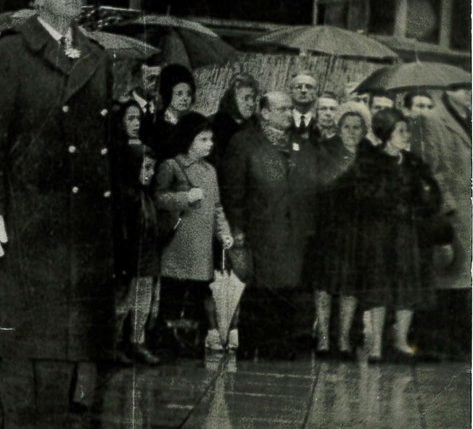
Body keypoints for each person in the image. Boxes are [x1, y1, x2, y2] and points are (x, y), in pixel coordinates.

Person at [0, 0, 122, 429]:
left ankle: (51, 426)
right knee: (21, 323)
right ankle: (21, 425)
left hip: (78, 217)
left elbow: (103, 138)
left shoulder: (97, 56)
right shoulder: (6, 53)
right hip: (26, 207)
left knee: (65, 324)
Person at [219, 91, 319, 359]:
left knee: (290, 289)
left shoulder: (300, 145)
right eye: (283, 109)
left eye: (291, 109)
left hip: (294, 232)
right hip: (260, 231)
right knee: (262, 289)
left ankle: (281, 346)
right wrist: (237, 230)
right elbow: (232, 192)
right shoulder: (245, 143)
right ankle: (255, 345)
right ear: (264, 113)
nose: (290, 113)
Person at [343, 109, 446, 362]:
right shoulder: (369, 161)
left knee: (407, 287)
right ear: (386, 133)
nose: (406, 135)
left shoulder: (413, 162)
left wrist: (422, 201)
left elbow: (432, 194)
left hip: (407, 235)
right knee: (379, 287)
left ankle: (400, 342)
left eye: (407, 130)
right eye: (401, 130)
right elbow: (360, 196)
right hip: (378, 235)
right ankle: (376, 346)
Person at [156, 112, 235, 354]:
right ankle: (168, 338)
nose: (209, 144)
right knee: (175, 292)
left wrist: (224, 232)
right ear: (188, 139)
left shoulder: (210, 171)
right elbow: (158, 197)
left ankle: (195, 338)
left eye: (210, 140)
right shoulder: (172, 166)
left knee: (201, 291)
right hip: (179, 244)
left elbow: (217, 207)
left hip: (202, 245)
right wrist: (184, 198)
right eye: (203, 139)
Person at [409, 86, 471, 357]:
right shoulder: (430, 120)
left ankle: (460, 343)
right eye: (462, 88)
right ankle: (436, 343)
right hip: (451, 214)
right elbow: (427, 168)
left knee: (464, 280)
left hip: (472, 213)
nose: (470, 92)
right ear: (447, 91)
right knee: (446, 275)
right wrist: (447, 207)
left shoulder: (472, 118)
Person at [308, 101, 372, 358]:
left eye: (357, 127)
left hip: (358, 229)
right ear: (339, 127)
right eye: (347, 126)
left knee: (350, 284)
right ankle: (323, 338)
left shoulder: (370, 155)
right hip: (329, 227)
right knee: (324, 283)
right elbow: (316, 186)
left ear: (364, 130)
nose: (352, 132)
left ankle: (344, 339)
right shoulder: (324, 151)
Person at [112, 144, 161, 366]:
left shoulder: (145, 196)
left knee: (142, 304)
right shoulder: (126, 196)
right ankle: (115, 344)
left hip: (146, 258)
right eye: (147, 168)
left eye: (153, 169)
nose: (150, 174)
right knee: (122, 304)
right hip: (129, 260)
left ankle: (136, 342)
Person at [146, 63, 195, 162]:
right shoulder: (155, 122)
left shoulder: (193, 122)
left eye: (188, 94)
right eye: (179, 94)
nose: (185, 99)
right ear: (168, 94)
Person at [209, 72, 259, 160]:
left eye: (253, 98)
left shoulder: (258, 126)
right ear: (232, 99)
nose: (252, 104)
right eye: (246, 98)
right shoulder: (212, 126)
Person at [289, 72, 320, 139]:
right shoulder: (283, 120)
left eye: (309, 87)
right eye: (298, 87)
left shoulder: (321, 123)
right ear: (291, 91)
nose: (303, 90)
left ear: (316, 91)